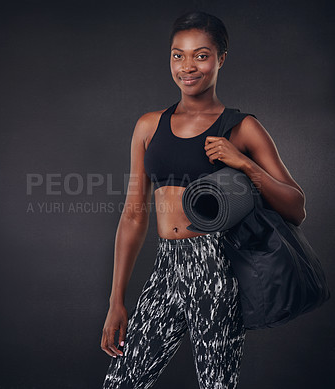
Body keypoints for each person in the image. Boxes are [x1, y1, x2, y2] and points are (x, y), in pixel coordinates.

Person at [100, 10, 306, 389]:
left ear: (220, 58)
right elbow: (133, 216)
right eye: (178, 55)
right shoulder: (149, 125)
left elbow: (296, 207)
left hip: (216, 267)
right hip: (166, 267)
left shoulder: (242, 126)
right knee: (122, 382)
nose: (187, 66)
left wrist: (243, 162)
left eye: (201, 54)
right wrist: (117, 301)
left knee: (216, 384)